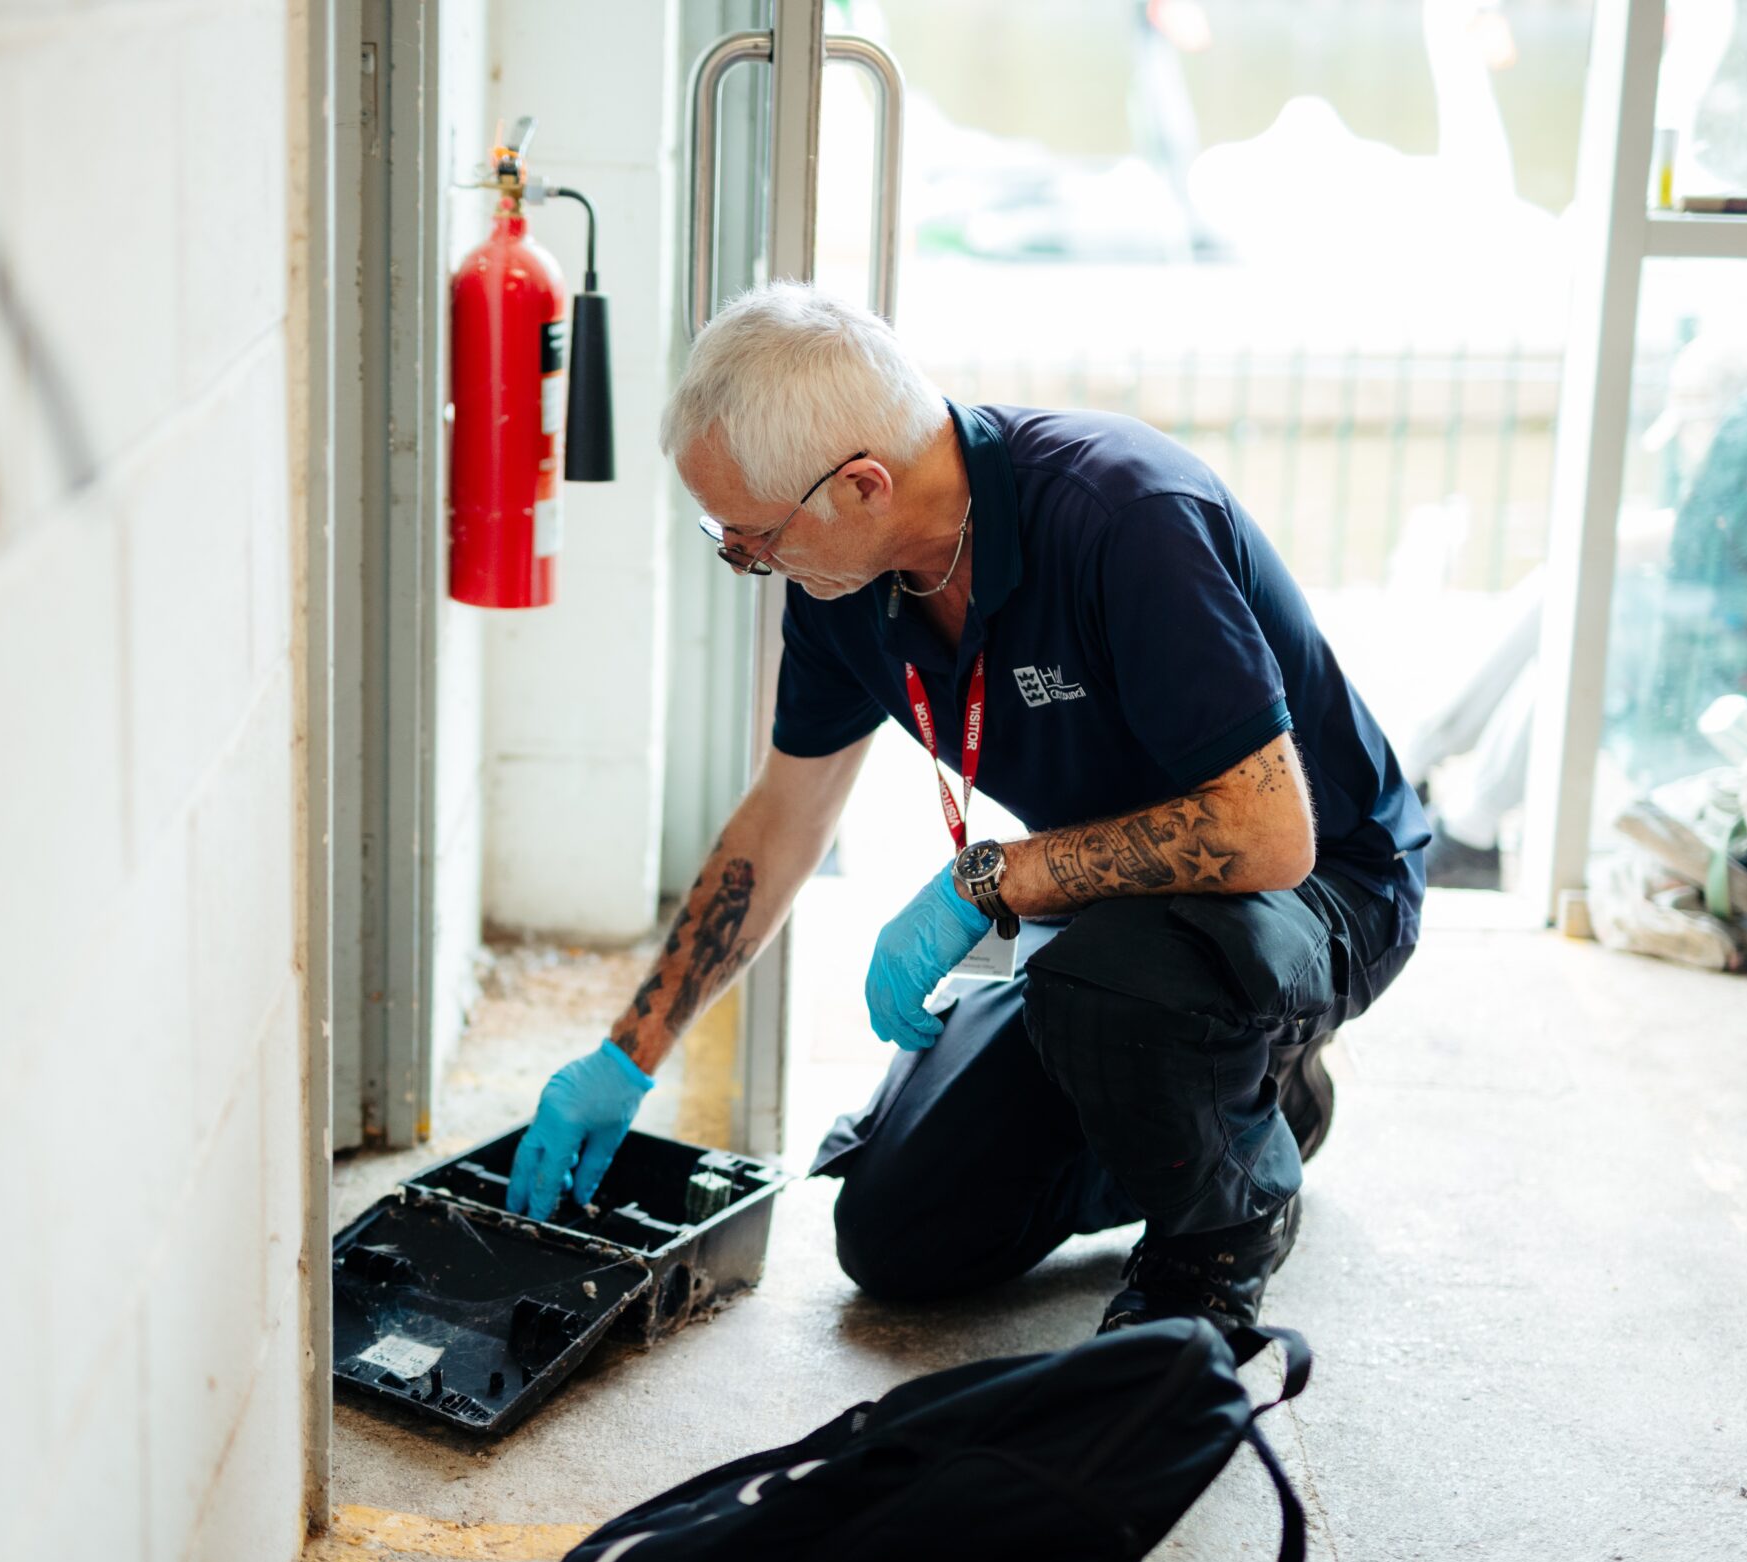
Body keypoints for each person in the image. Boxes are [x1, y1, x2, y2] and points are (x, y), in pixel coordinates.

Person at [504, 283, 1428, 1346]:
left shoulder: (1122, 514)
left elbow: (1269, 832)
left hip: (1320, 892)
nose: (748, 567)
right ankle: (1240, 1097)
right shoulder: (845, 589)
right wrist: (628, 1053)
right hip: (1114, 929)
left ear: (860, 484)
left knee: (1117, 983)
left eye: (752, 539)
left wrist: (986, 880)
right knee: (897, 1234)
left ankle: (1214, 1243)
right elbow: (784, 816)